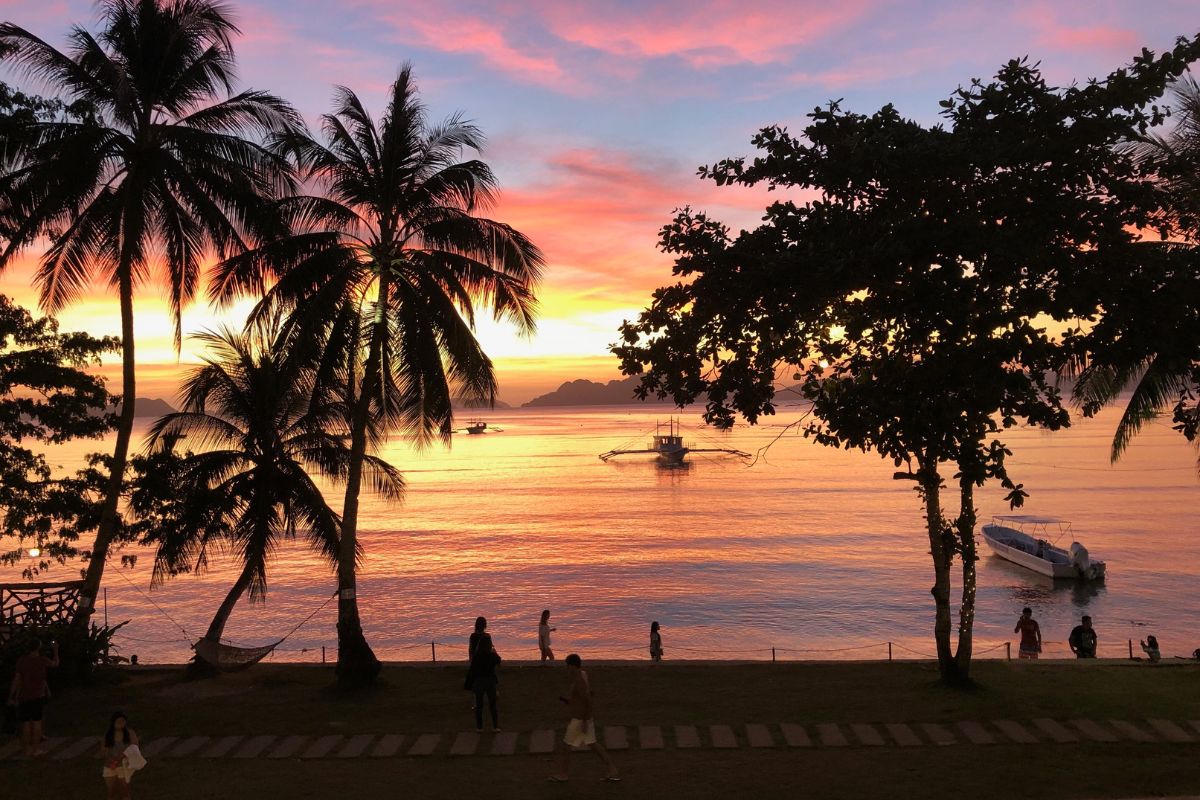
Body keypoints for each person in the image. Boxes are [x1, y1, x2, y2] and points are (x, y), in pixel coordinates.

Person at [547, 654, 619, 783]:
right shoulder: (582, 674)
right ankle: (612, 769)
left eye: (568, 666)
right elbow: (585, 696)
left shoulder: (579, 680)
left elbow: (587, 700)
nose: (567, 669)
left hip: (580, 719)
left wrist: (585, 721)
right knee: (593, 744)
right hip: (583, 717)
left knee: (566, 746)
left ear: (573, 666)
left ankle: (563, 774)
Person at [7, 638, 59, 757]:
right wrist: (56, 650)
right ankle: (35, 750)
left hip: (24, 696)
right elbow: (55, 663)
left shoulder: (21, 661)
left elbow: (17, 680)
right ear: (38, 647)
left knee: (25, 723)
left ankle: (27, 750)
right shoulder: (42, 660)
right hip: (37, 695)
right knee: (36, 722)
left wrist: (12, 696)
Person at [466, 616, 500, 733]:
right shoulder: (488, 637)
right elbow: (496, 657)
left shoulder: (472, 636)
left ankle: (479, 727)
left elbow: (470, 651)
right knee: (492, 704)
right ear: (485, 625)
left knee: (479, 703)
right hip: (489, 675)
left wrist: (472, 663)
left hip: (477, 671)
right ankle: (495, 726)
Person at [101, 711, 139, 799]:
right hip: (110, 765)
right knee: (111, 790)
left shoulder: (130, 733)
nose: (121, 724)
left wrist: (123, 756)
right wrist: (109, 759)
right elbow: (103, 750)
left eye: (123, 721)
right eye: (119, 721)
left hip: (123, 765)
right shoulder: (108, 734)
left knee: (125, 790)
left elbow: (135, 746)